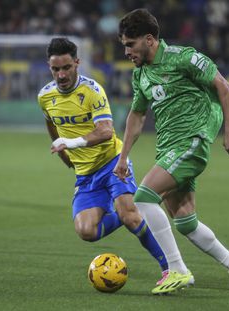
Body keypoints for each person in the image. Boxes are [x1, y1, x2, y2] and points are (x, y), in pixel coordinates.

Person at [114, 8, 229, 295]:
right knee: (185, 221)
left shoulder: (183, 57)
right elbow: (137, 117)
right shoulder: (140, 75)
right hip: (168, 147)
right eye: (124, 45)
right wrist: (124, 156)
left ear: (149, 39)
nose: (126, 51)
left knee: (143, 197)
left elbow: (224, 87)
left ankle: (177, 269)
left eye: (130, 44)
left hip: (192, 140)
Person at [37, 37, 168, 287]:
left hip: (112, 162)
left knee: (131, 217)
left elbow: (106, 131)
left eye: (66, 67)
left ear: (77, 63)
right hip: (86, 175)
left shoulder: (92, 90)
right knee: (86, 231)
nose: (61, 74)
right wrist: (64, 154)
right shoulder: (45, 96)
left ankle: (169, 268)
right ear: (49, 66)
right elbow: (51, 124)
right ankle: (127, 207)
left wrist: (71, 143)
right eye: (55, 69)